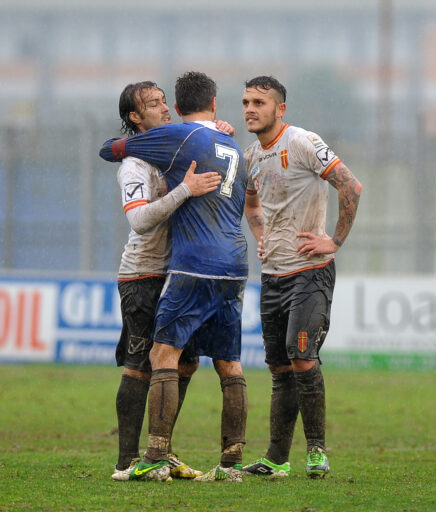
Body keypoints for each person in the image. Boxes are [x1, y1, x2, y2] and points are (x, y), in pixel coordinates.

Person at [100, 71, 250, 482]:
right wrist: (184, 189)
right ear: (134, 117)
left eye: (165, 101)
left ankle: (162, 453)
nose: (163, 107)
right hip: (144, 273)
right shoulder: (134, 162)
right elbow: (140, 222)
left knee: (183, 365)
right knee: (140, 366)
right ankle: (128, 462)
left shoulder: (180, 144)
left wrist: (214, 133)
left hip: (180, 270)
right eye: (152, 104)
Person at [240, 76, 362, 479]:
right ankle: (277, 459)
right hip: (272, 275)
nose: (250, 109)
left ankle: (316, 451)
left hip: (310, 273)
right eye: (245, 102)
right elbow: (251, 201)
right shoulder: (251, 156)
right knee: (278, 369)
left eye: (259, 102)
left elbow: (351, 187)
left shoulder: (303, 142)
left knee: (301, 356)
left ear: (281, 109)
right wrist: (262, 235)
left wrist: (334, 240)